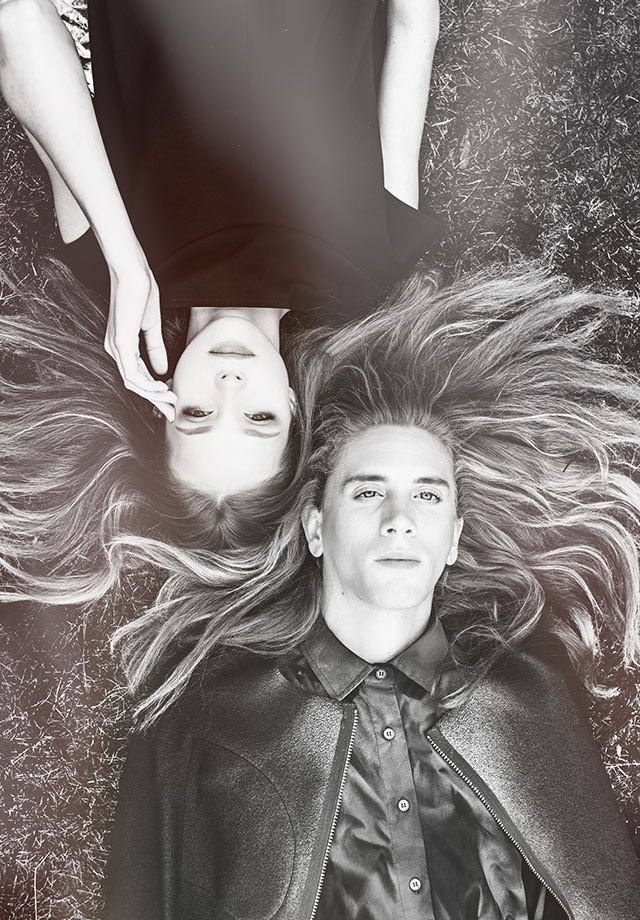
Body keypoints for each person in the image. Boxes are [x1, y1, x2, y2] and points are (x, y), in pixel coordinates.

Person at [102, 267, 640, 919]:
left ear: (453, 538)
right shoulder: (210, 714)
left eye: (428, 496)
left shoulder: (528, 696)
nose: (400, 519)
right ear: (315, 528)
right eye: (366, 492)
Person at [0, 0, 442, 501]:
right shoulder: (369, 270)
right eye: (259, 417)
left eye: (197, 414)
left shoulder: (112, 268)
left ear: (162, 404)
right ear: (293, 407)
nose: (230, 383)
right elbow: (412, 30)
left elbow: (19, 24)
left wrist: (124, 256)